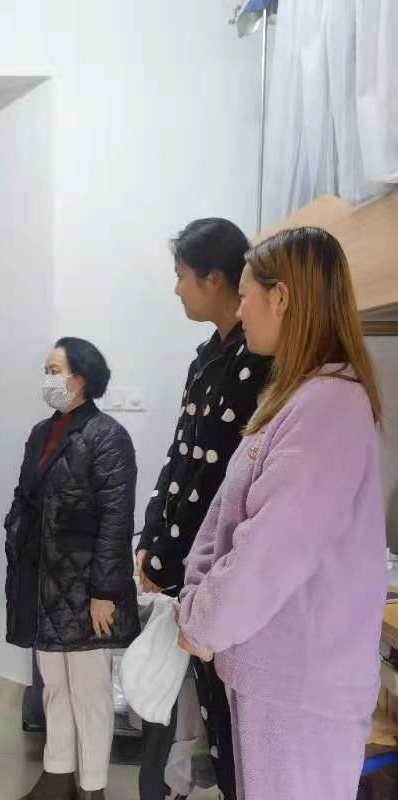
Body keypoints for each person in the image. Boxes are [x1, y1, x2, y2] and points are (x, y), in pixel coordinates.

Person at [178, 227, 385, 800]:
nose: (240, 309)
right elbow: (226, 517)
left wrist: (202, 618)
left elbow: (269, 552)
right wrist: (197, 604)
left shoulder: (329, 405)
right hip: (276, 674)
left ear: (282, 297)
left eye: (246, 294)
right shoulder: (298, 396)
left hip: (301, 686)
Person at [136, 218, 272, 800]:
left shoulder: (259, 360)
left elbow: (226, 486)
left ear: (214, 278)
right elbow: (180, 457)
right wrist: (150, 539)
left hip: (219, 570)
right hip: (182, 564)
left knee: (231, 722)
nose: (177, 289)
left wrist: (174, 558)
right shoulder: (206, 357)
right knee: (199, 715)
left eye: (181, 275)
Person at [6, 337, 139, 800]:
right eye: (46, 370)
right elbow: (26, 498)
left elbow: (117, 521)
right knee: (54, 687)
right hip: (43, 583)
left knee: (89, 692)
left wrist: (105, 592)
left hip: (86, 590)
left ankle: (93, 786)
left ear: (80, 378)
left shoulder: (108, 436)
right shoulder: (41, 433)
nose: (48, 378)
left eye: (54, 370)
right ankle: (57, 773)